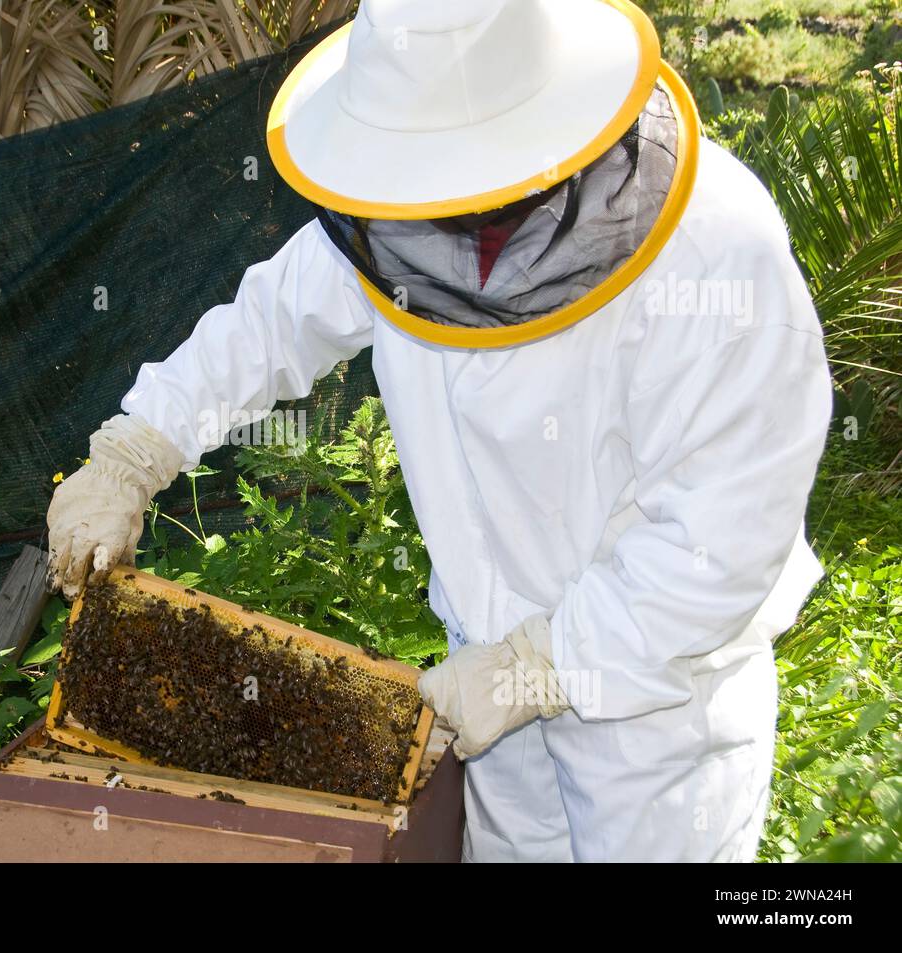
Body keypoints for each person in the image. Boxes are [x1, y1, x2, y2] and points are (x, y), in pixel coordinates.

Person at [46, 0, 832, 862]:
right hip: (483, 681)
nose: (433, 209)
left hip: (656, 711)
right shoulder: (392, 210)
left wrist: (539, 663)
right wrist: (138, 446)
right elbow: (270, 323)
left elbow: (723, 533)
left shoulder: (716, 251)